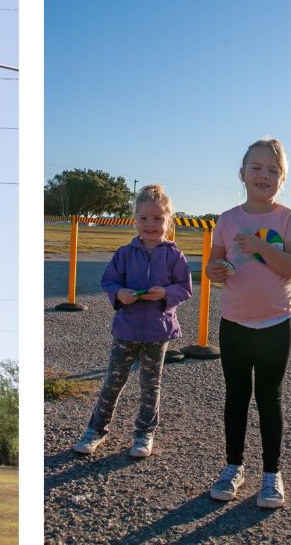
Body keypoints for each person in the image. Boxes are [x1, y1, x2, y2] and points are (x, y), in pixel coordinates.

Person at [203, 138, 291, 509]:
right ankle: (233, 467)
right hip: (235, 323)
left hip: (276, 323)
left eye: (273, 170)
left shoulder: (287, 218)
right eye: (257, 168)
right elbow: (215, 266)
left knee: (269, 398)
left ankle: (271, 474)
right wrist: (214, 271)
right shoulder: (227, 220)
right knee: (236, 397)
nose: (264, 175)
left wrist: (261, 247)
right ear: (242, 173)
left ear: (282, 179)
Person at [71, 185, 191, 459]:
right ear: (134, 219)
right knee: (113, 380)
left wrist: (165, 294)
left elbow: (184, 288)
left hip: (157, 331)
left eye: (158, 218)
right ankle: (95, 430)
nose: (150, 225)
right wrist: (120, 294)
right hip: (126, 328)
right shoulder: (125, 253)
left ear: (168, 221)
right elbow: (109, 281)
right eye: (144, 218)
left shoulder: (174, 255)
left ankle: (144, 434)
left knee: (151, 384)